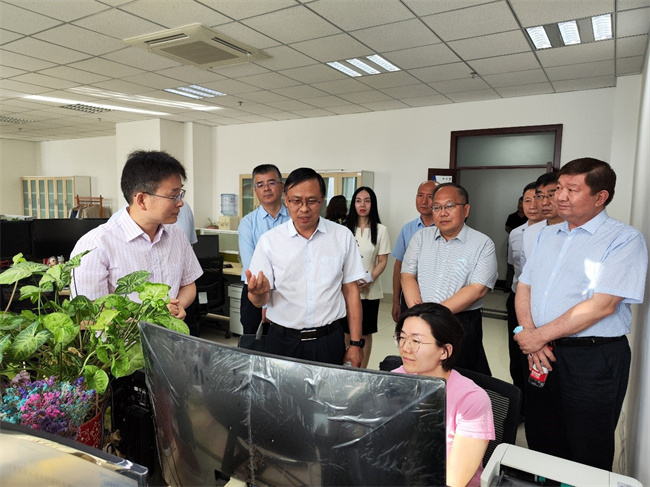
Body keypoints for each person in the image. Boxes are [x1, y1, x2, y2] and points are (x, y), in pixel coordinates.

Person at [515, 157, 648, 470]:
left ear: (600, 197)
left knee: (587, 445)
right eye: (559, 188)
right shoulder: (547, 235)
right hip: (543, 352)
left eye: (571, 190)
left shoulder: (623, 239)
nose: (559, 196)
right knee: (542, 435)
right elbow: (525, 286)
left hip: (592, 358)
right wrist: (530, 335)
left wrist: (537, 337)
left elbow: (603, 305)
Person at [246, 168, 366, 367]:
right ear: (286, 200)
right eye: (296, 201)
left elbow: (351, 291)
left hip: (328, 340)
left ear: (322, 200)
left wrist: (355, 343)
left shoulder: (342, 236)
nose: (304, 209)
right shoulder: (269, 241)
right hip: (283, 341)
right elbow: (260, 300)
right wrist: (256, 293)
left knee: (328, 388)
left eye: (312, 201)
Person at [71, 150, 203, 320]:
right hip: (123, 338)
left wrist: (178, 307)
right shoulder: (96, 244)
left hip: (169, 337)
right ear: (141, 200)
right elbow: (86, 317)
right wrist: (146, 320)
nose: (180, 203)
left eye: (180, 194)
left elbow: (188, 284)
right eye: (173, 196)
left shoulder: (177, 235)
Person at [392, 303, 495, 487]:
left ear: (444, 351)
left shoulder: (472, 400)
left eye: (416, 341)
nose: (405, 348)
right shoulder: (395, 380)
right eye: (402, 338)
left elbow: (454, 481)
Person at [401, 183, 497, 376]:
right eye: (437, 207)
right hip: (421, 318)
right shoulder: (421, 237)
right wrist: (419, 313)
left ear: (466, 210)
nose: (442, 213)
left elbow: (477, 289)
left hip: (460, 321)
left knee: (461, 375)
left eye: (450, 206)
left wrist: (432, 314)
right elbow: (407, 275)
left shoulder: (482, 243)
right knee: (419, 373)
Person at [238, 164, 289, 334]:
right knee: (253, 341)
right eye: (260, 185)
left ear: (282, 186)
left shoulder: (294, 219)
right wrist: (265, 303)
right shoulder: (248, 223)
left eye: (271, 183)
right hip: (255, 290)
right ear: (255, 190)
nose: (266, 188)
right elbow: (252, 267)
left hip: (288, 290)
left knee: (286, 341)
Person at [506, 182, 543, 417]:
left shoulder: (554, 233)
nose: (532, 205)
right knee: (517, 352)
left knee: (538, 353)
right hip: (517, 299)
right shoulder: (515, 233)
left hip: (541, 304)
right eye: (527, 201)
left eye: (536, 199)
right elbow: (514, 266)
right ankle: (520, 404)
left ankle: (537, 403)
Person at [344, 187, 391, 368]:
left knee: (365, 332)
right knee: (346, 331)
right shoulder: (345, 228)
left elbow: (383, 260)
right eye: (358, 201)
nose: (362, 205)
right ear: (353, 204)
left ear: (373, 204)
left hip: (370, 290)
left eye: (367, 200)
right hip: (347, 289)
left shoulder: (381, 230)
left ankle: (362, 370)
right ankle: (347, 367)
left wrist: (369, 278)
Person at [391, 180, 438, 322]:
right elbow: (398, 266)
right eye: (420, 195)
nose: (424, 201)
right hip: (409, 295)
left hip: (437, 297)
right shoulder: (408, 229)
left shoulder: (444, 229)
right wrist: (395, 301)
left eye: (430, 196)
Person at [522, 172, 564, 260]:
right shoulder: (530, 232)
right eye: (540, 196)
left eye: (551, 195)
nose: (545, 202)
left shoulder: (577, 231)